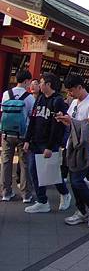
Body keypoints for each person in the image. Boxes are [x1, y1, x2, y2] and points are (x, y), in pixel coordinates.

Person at [56, 74, 89, 227]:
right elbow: (71, 122)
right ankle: (82, 211)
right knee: (74, 181)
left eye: (71, 90)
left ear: (80, 87)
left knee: (76, 181)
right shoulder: (74, 102)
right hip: (73, 145)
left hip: (86, 146)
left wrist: (71, 121)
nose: (69, 94)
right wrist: (64, 119)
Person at [23, 72, 72, 213]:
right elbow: (32, 120)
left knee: (52, 173)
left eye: (42, 82)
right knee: (34, 171)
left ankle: (65, 193)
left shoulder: (58, 101)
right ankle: (42, 201)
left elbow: (58, 127)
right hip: (36, 142)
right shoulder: (39, 99)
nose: (39, 85)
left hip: (49, 144)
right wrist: (27, 139)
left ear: (48, 85)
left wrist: (50, 146)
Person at [1, 69, 35, 202]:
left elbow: (3, 112)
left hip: (6, 133)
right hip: (23, 134)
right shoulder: (29, 97)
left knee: (6, 163)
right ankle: (26, 194)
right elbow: (32, 117)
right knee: (25, 163)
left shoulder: (6, 94)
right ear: (26, 81)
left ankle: (6, 193)